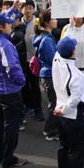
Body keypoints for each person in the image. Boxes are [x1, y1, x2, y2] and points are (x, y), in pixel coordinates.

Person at [0, 10, 27, 168]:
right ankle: (8, 157)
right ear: (2, 27)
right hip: (10, 91)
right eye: (9, 24)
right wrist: (21, 81)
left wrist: (13, 9)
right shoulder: (6, 44)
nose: (11, 26)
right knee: (11, 126)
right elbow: (12, 69)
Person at [51, 36, 84, 168]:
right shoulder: (76, 75)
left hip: (60, 110)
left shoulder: (56, 62)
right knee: (76, 152)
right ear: (73, 51)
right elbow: (75, 99)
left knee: (63, 147)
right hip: (73, 115)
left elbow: (59, 52)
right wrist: (65, 109)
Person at [61, 14, 84, 124]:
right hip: (71, 67)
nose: (77, 17)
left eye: (79, 15)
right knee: (71, 92)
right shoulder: (66, 28)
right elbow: (62, 47)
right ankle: (72, 112)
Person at [33, 10, 59, 141]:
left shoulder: (44, 37)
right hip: (49, 74)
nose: (56, 21)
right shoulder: (47, 40)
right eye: (54, 18)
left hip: (46, 74)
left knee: (53, 102)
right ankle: (50, 130)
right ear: (48, 23)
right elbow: (52, 59)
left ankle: (51, 128)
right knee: (54, 103)